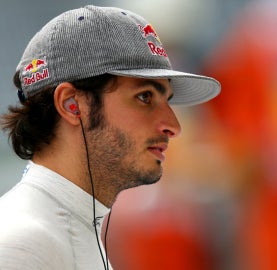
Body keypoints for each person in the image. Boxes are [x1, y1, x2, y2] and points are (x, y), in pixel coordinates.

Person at [0, 5, 220, 270]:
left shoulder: (70, 225)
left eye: (167, 101)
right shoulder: (24, 246)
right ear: (72, 104)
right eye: (145, 97)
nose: (173, 126)